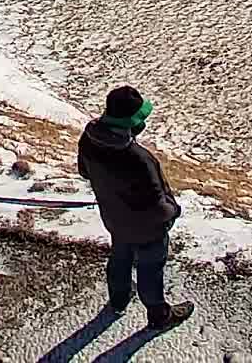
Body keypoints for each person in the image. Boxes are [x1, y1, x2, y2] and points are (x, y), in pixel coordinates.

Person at [76, 85, 193, 328]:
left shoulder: (89, 139)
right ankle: (159, 315)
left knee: (120, 256)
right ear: (130, 122)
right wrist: (173, 211)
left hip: (114, 218)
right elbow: (158, 206)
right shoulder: (138, 159)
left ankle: (118, 300)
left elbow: (84, 172)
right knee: (150, 267)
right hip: (147, 228)